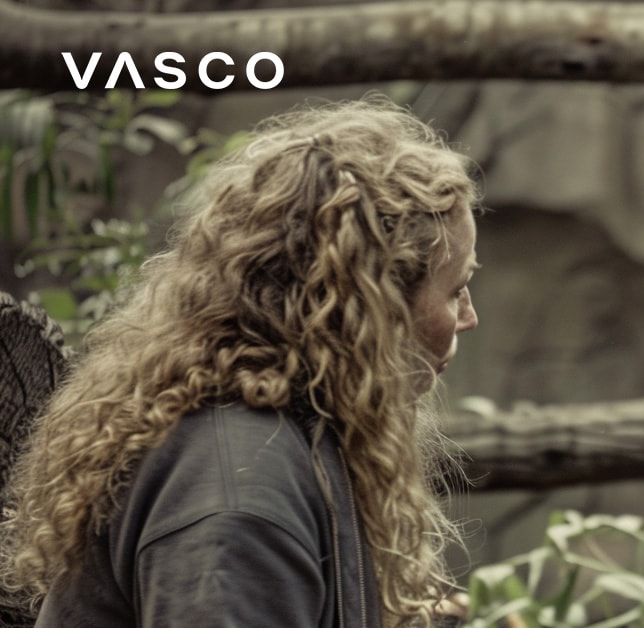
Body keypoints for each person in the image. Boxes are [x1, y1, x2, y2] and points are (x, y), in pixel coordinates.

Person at [0, 96, 481, 627]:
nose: (469, 317)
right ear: (374, 303)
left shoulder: (291, 437)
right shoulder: (239, 493)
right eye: (456, 289)